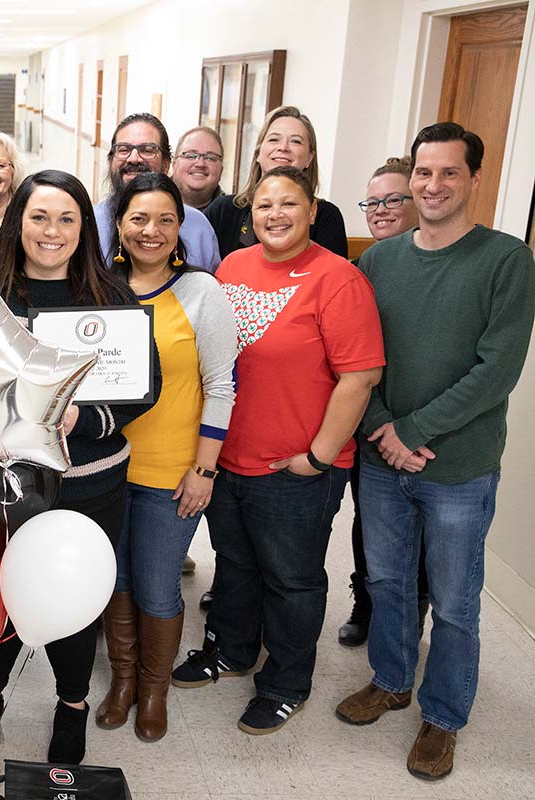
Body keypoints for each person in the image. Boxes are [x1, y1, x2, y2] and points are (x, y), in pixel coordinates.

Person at [0, 169, 161, 766]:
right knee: (1, 598)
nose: (52, 231)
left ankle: (72, 703)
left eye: (67, 218)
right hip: (3, 486)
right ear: (17, 223)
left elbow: (145, 389)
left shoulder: (110, 297)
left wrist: (80, 418)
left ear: (84, 226)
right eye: (38, 217)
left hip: (91, 484)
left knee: (76, 599)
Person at [335, 123, 535, 781]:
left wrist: (415, 431)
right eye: (425, 173)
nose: (434, 185)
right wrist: (386, 426)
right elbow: (356, 358)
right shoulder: (381, 260)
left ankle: (443, 716)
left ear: (475, 178)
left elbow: (497, 369)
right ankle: (392, 680)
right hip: (382, 457)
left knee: (453, 600)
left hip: (458, 469)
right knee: (387, 581)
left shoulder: (507, 260)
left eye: (450, 173)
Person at [171, 166, 384, 736]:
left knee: (292, 581)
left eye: (289, 204)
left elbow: (359, 378)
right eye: (264, 205)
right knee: (235, 567)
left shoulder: (337, 279)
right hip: (228, 457)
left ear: (313, 210)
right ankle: (232, 653)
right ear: (250, 214)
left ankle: (287, 683)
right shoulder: (233, 268)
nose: (275, 215)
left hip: (296, 467)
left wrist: (316, 456)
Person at [98, 173, 237, 741]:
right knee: (117, 581)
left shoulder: (201, 292)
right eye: (138, 219)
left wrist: (204, 469)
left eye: (164, 219)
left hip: (172, 473)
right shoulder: (102, 289)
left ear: (181, 227)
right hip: (106, 468)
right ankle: (123, 680)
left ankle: (154, 688)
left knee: (157, 585)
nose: (150, 231)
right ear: (120, 226)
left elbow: (222, 387)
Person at [338, 156, 427, 648]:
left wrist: (411, 431)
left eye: (394, 199)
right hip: (371, 421)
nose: (382, 210)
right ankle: (367, 603)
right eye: (373, 202)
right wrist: (380, 426)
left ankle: (414, 612)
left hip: (427, 432)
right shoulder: (365, 267)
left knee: (424, 537)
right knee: (369, 522)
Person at [204, 106, 348, 260]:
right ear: (258, 153)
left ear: (309, 158)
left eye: (296, 141)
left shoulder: (326, 216)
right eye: (274, 139)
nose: (283, 148)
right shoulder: (223, 210)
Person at [94, 113, 221, 272]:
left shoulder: (198, 228)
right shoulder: (90, 223)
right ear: (111, 160)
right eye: (124, 149)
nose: (134, 159)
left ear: (166, 163)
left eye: (147, 150)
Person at [171, 126, 226, 211]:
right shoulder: (147, 204)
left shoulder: (232, 216)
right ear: (174, 164)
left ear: (221, 170)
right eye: (191, 156)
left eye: (210, 158)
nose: (200, 164)